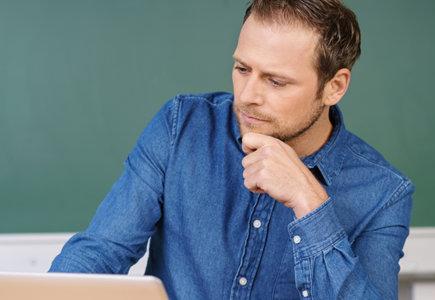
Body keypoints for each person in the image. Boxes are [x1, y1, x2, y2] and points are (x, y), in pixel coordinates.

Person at [49, 1, 414, 299]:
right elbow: (100, 252)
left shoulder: (383, 193)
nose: (248, 97)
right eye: (242, 69)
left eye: (276, 81)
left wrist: (309, 202)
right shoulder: (181, 127)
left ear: (334, 87)